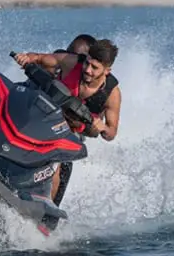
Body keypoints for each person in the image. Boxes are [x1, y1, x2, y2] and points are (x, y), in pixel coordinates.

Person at [13, 39, 121, 205]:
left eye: (95, 68)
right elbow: (41, 58)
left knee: (58, 167)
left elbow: (112, 132)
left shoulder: (112, 95)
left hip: (70, 131)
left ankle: (46, 211)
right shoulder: (71, 62)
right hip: (46, 115)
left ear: (107, 71)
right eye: (87, 63)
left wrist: (103, 127)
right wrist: (27, 57)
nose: (88, 70)